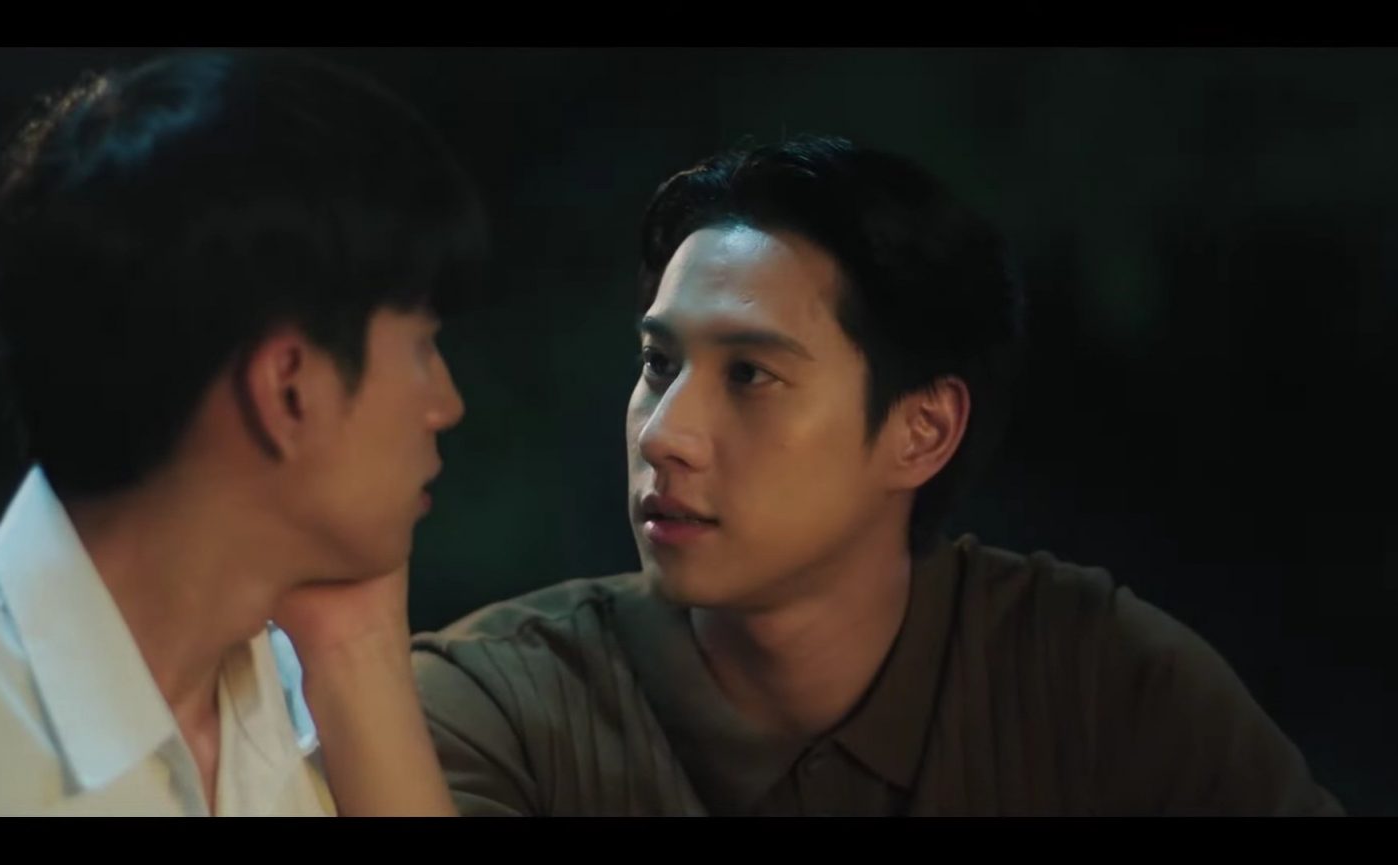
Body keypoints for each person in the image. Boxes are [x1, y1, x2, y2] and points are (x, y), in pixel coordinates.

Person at [410, 134, 1343, 816]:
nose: (665, 435)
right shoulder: (498, 703)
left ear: (920, 431)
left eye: (750, 374)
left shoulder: (1096, 684)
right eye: (659, 364)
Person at [0, 49, 481, 816]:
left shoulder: (312, 707)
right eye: (422, 347)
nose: (447, 404)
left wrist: (360, 655)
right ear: (288, 388)